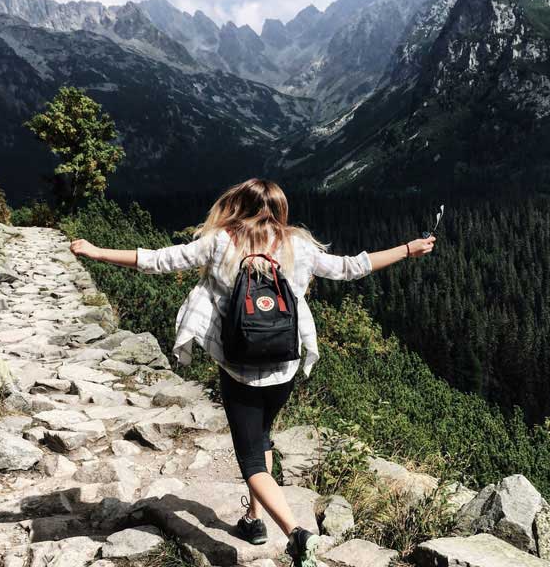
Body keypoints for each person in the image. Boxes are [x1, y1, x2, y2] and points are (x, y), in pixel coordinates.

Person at [69, 178, 436, 567]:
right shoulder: (298, 245)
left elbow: (159, 260)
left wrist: (97, 252)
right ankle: (253, 520)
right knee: (262, 438)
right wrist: (408, 249)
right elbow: (351, 268)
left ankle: (296, 535)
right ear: (280, 210)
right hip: (285, 365)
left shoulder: (220, 242)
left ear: (237, 206)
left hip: (239, 368)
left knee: (251, 460)